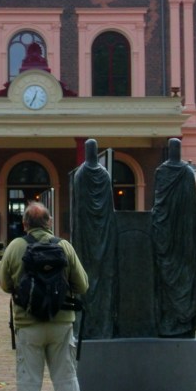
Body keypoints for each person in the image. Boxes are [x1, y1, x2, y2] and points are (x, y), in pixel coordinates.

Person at [0, 202, 89, 391]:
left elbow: (4, 283)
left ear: (24, 224)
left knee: (29, 383)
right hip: (61, 322)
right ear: (49, 222)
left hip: (27, 323)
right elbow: (82, 285)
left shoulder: (15, 246)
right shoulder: (64, 246)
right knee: (66, 380)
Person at [150, 138, 196, 338]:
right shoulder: (184, 172)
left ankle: (175, 323)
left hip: (174, 236)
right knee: (174, 276)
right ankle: (174, 321)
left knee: (172, 276)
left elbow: (159, 207)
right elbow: (190, 209)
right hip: (179, 236)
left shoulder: (168, 172)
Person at [69, 138, 117, 340]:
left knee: (89, 276)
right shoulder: (102, 174)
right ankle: (98, 325)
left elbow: (78, 210)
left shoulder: (81, 174)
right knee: (99, 276)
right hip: (100, 235)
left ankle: (90, 325)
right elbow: (108, 209)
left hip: (87, 237)